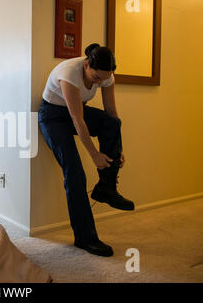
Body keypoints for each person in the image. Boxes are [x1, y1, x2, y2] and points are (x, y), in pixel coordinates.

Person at [38, 43, 134, 257]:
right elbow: (77, 119)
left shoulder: (106, 76)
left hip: (75, 113)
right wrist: (94, 155)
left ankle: (106, 188)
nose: (99, 82)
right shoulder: (69, 74)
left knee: (112, 124)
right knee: (75, 173)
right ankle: (85, 237)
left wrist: (117, 148)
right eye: (96, 78)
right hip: (53, 117)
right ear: (87, 64)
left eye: (104, 78)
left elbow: (111, 113)